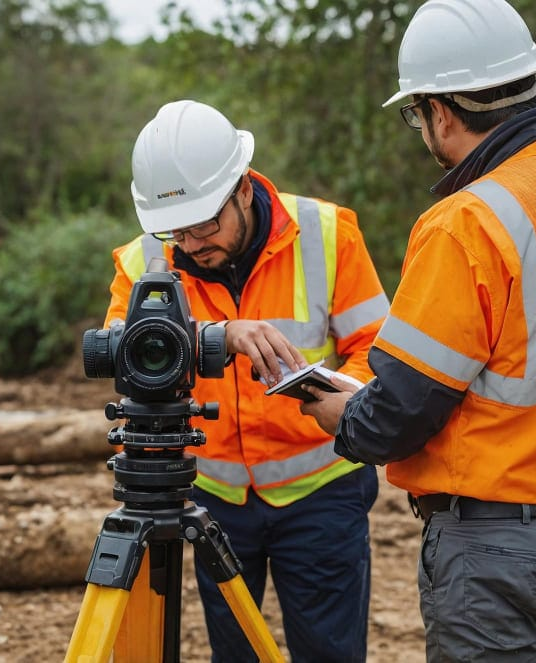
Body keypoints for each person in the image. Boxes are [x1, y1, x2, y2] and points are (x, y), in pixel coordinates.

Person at [299, 1, 536, 661]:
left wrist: (343, 415)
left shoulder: (470, 221)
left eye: (415, 114)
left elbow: (398, 409)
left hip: (493, 547)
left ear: (441, 111)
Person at [104, 99, 389, 662]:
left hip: (321, 491)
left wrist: (338, 401)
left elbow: (375, 351)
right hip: (214, 496)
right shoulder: (145, 261)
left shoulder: (327, 234)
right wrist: (217, 334)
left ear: (240, 186)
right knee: (237, 655)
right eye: (175, 230)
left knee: (328, 652)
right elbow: (120, 353)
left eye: (204, 223)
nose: (190, 243)